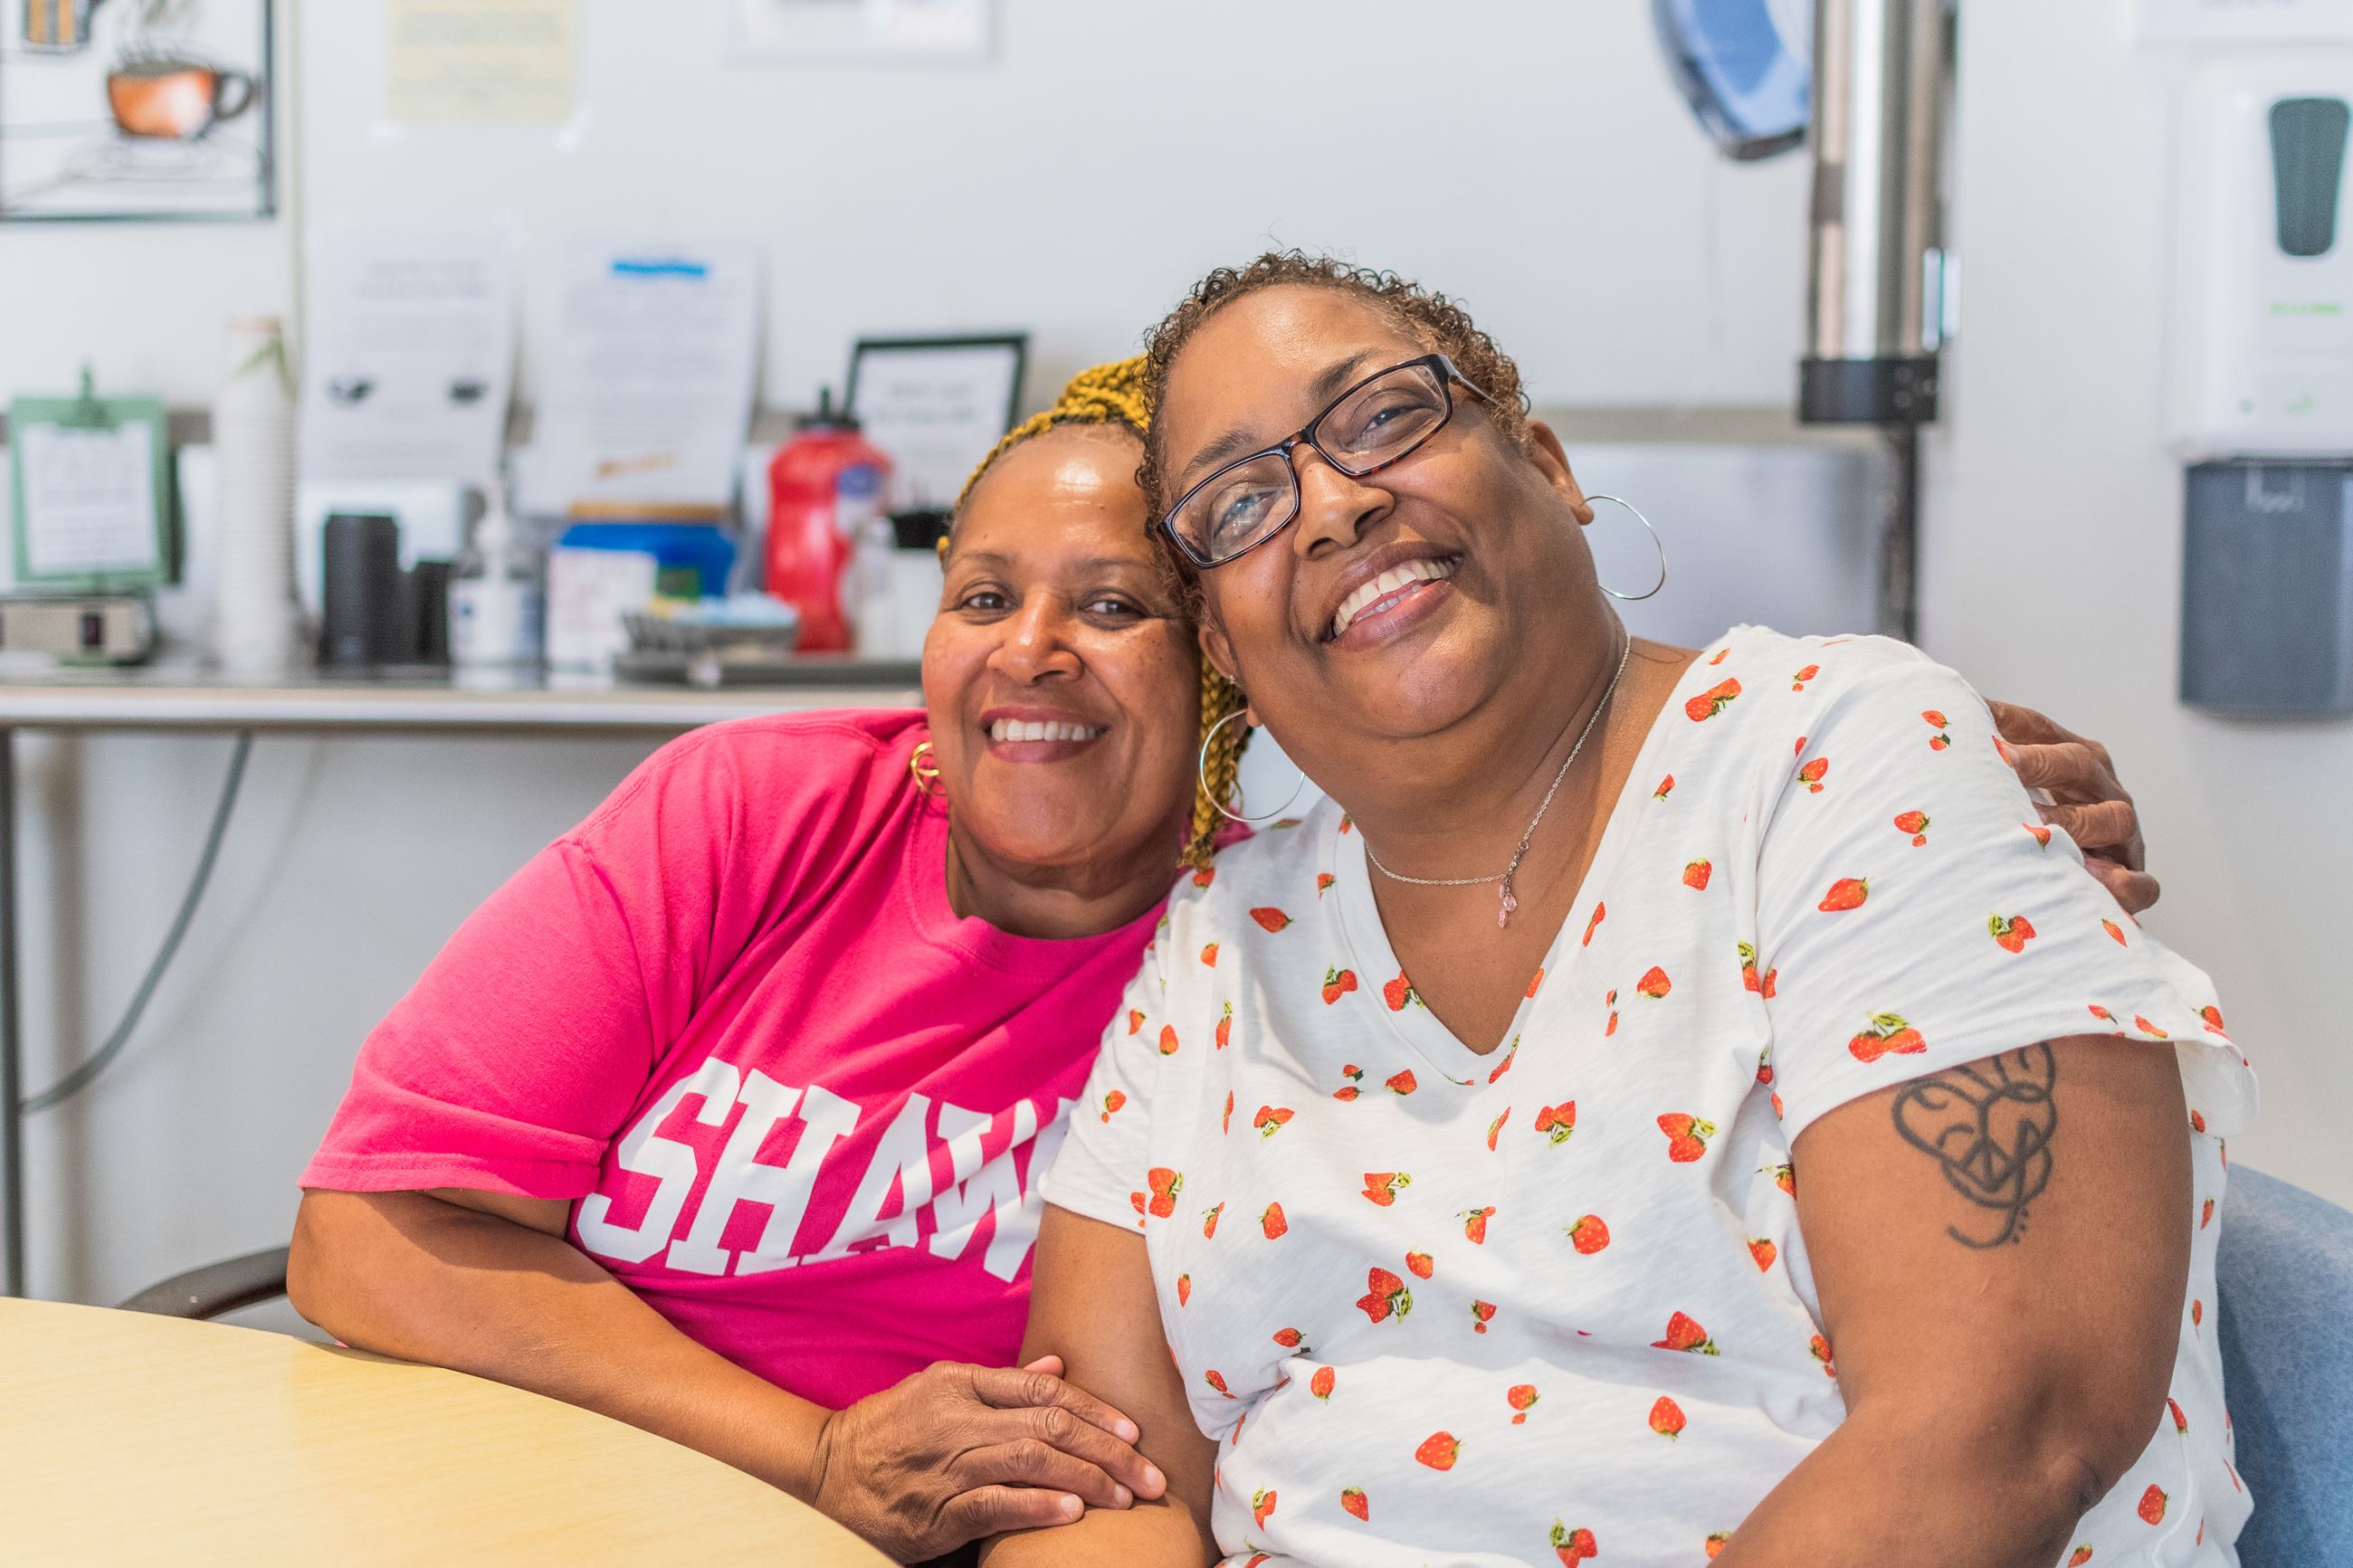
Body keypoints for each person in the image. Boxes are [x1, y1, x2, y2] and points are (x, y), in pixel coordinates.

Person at [288, 362, 2149, 1567]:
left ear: (1240, 672)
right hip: (555, 1501)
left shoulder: (1262, 942)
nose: (1029, 655)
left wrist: (1909, 789)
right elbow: (370, 1229)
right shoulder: (751, 813)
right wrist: (814, 1448)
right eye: (979, 597)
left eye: (1113, 610)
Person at [1007, 256, 2255, 1568]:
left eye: (1380, 418)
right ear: (1222, 648)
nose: (1329, 507)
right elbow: (1105, 1484)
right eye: (1242, 499)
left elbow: (1999, 1426)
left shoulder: (1838, 766)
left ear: (1545, 467)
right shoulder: (1223, 941)